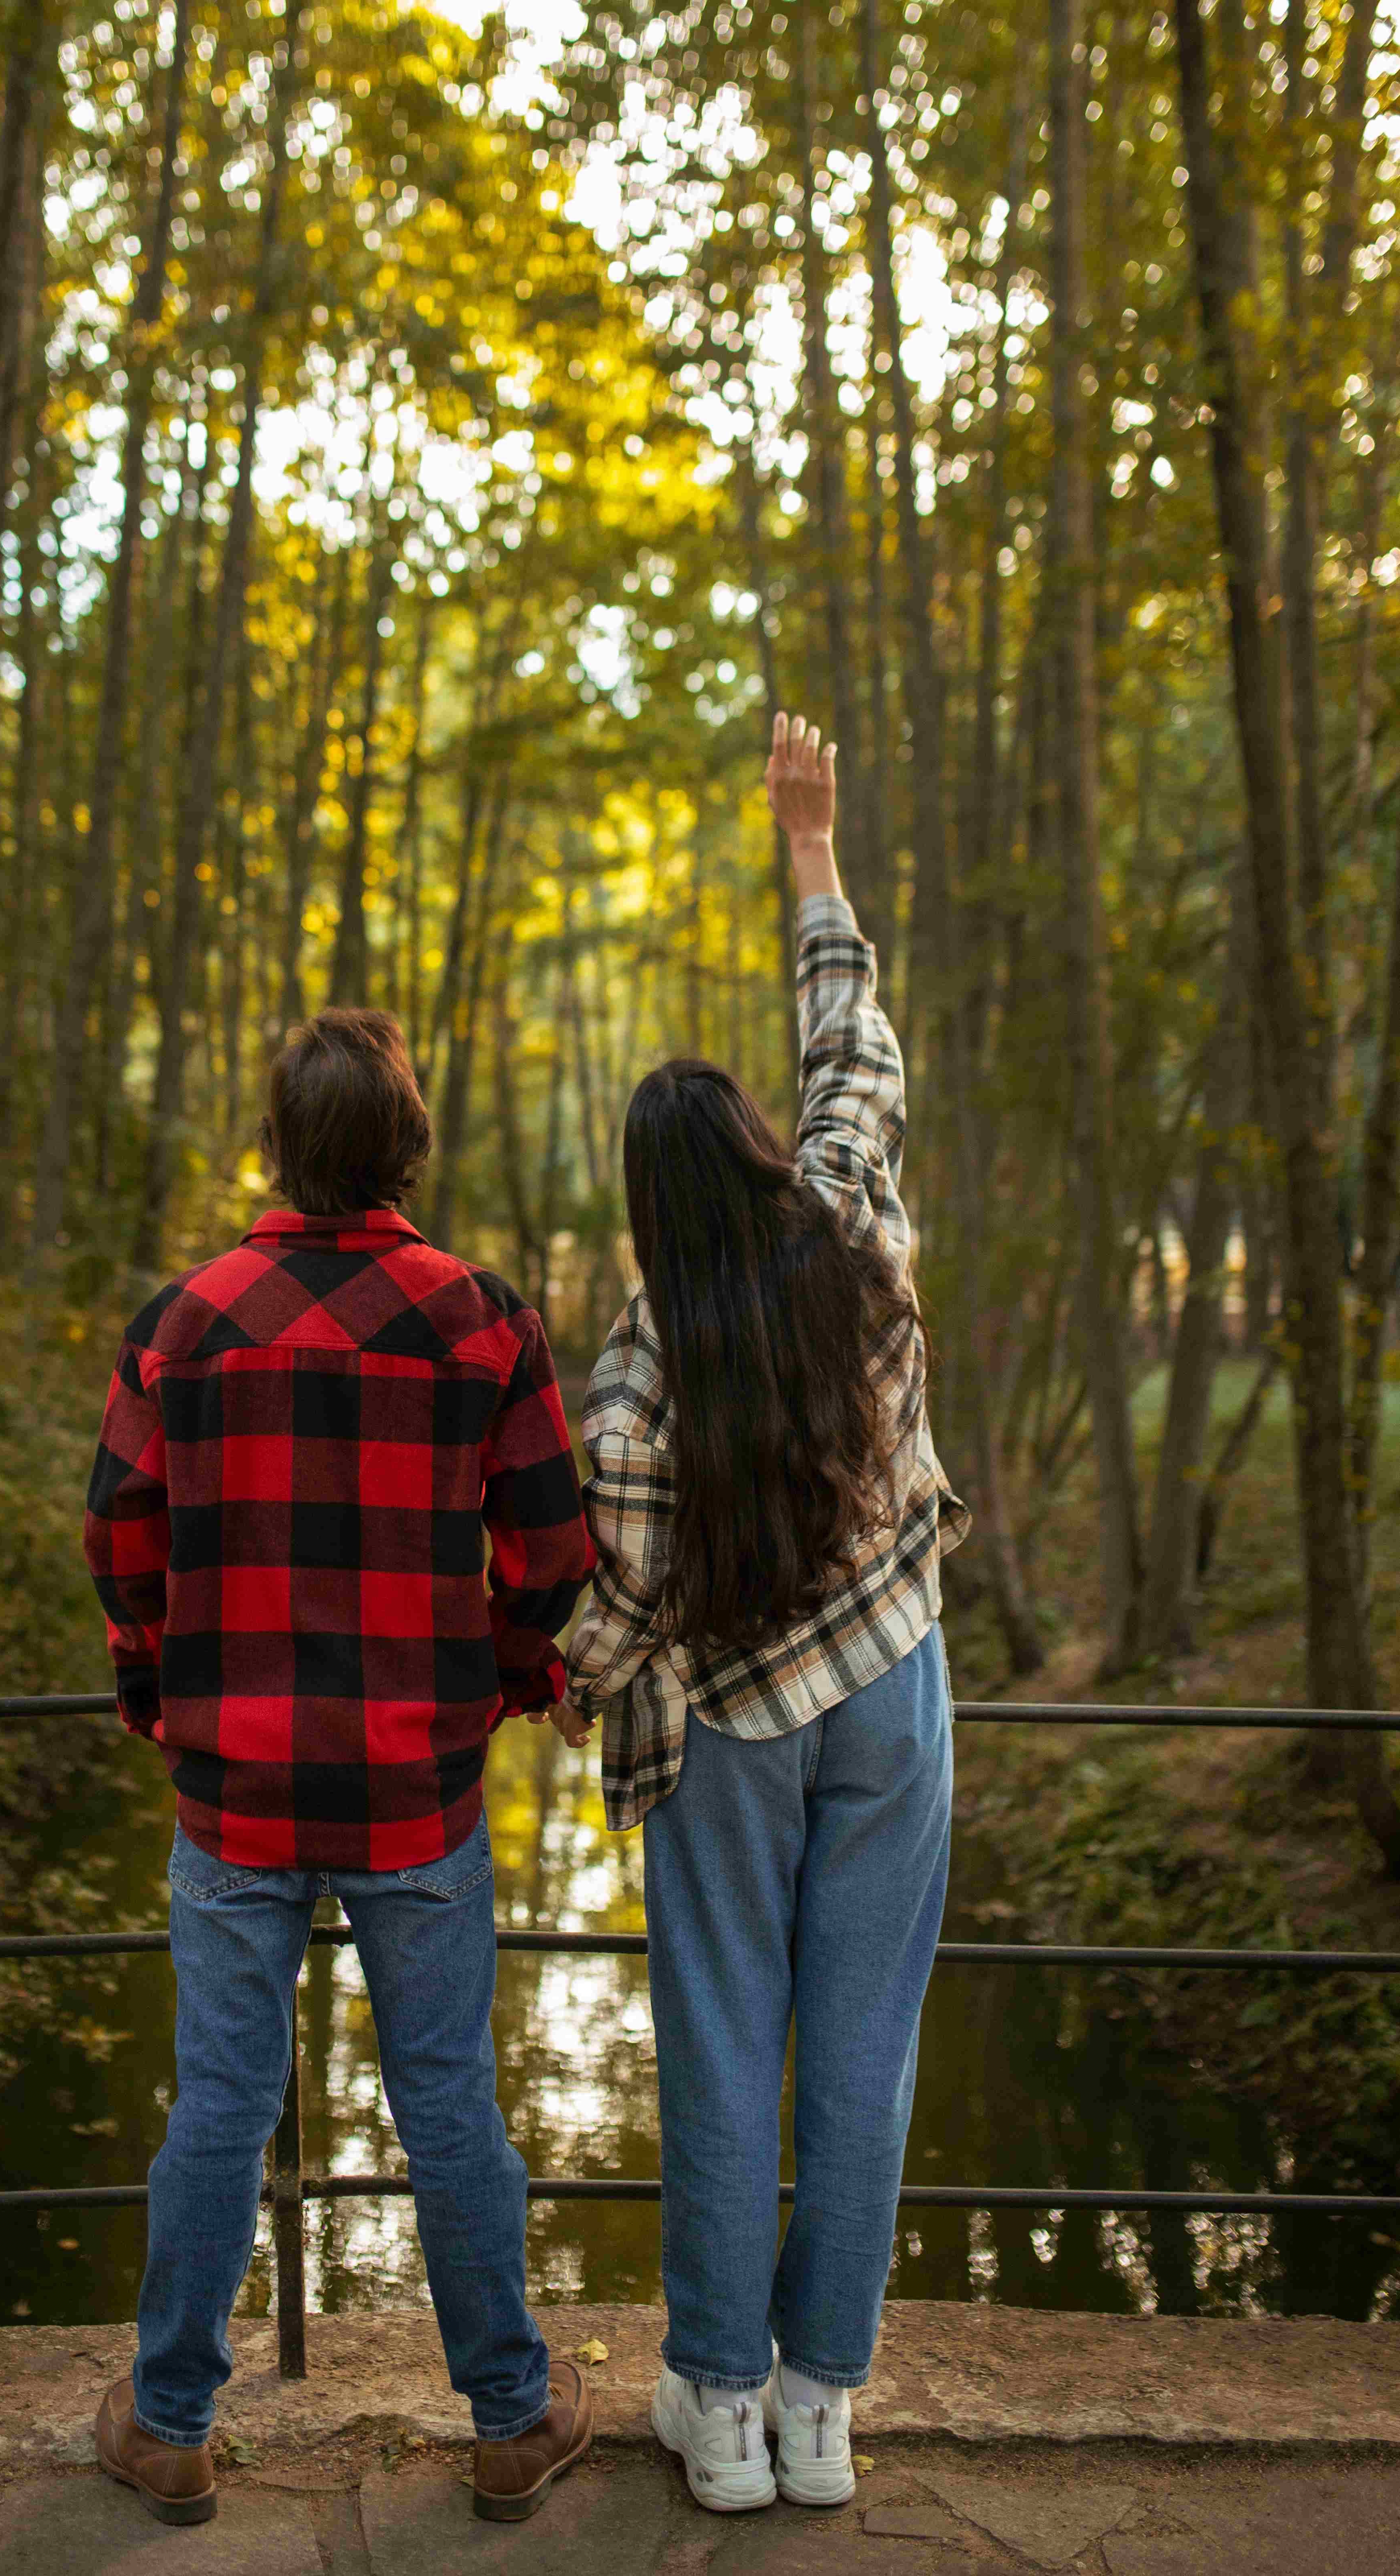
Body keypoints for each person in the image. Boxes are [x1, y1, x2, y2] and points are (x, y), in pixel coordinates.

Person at [83, 1005, 597, 2527]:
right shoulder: (481, 1320)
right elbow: (554, 1552)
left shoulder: (185, 1322)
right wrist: (501, 1676)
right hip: (413, 1791)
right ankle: (508, 2419)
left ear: (278, 1145)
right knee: (449, 2106)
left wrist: (158, 1687)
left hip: (234, 1792)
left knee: (221, 2110)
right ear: (407, 1147)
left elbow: (119, 1539)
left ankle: (171, 2422)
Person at [560, 711, 969, 2516]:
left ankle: (716, 2413)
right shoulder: (850, 1222)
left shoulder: (641, 1374)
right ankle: (822, 2408)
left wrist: (575, 1681)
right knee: (860, 2045)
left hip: (733, 1728)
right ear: (749, 1146)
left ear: (648, 1207)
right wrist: (808, 851)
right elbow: (852, 1045)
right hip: (891, 1691)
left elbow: (617, 1599)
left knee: (724, 2040)